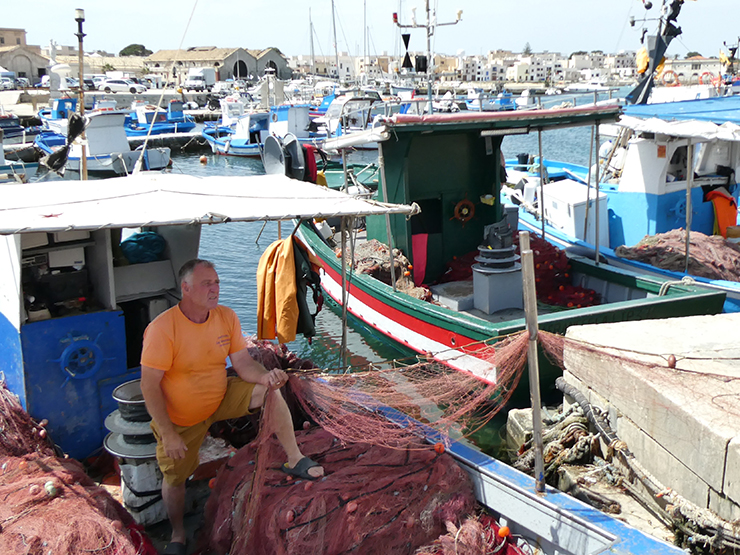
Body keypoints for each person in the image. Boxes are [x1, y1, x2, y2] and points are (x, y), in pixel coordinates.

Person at [140, 259, 323, 554]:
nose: (214, 289)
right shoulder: (162, 329)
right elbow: (148, 386)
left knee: (269, 391)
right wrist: (168, 432)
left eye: (216, 282)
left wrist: (267, 376)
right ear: (185, 289)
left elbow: (241, 363)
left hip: (220, 398)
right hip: (181, 417)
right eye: (206, 284)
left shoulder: (225, 317)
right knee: (174, 478)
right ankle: (177, 535)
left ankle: (294, 458)